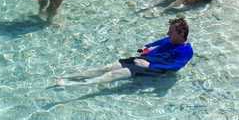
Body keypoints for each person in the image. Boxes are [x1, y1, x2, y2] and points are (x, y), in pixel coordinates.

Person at [56, 18, 193, 86]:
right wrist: (145, 48)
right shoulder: (170, 39)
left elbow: (175, 66)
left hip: (149, 69)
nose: (167, 33)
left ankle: (71, 85)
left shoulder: (186, 51)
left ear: (181, 33)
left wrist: (150, 66)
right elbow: (157, 43)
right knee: (106, 67)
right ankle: (68, 77)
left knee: (112, 75)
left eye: (171, 31)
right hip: (141, 60)